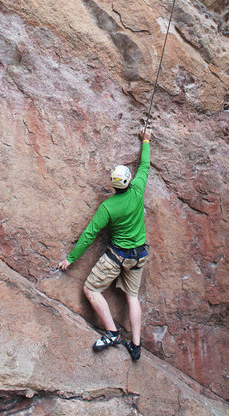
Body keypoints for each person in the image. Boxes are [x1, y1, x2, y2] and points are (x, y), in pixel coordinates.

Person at [59, 127, 151, 361]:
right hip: (139, 254)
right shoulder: (138, 191)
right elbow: (145, 167)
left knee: (90, 289)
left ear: (113, 185)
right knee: (132, 297)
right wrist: (146, 140)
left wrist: (71, 259)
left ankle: (112, 333)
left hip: (117, 256)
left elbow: (90, 235)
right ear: (129, 182)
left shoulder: (108, 207)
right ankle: (136, 346)